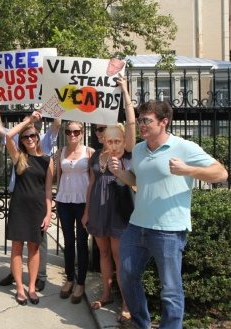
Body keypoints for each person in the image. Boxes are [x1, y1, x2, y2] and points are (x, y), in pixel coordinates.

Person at [111, 100, 228, 329]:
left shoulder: (184, 147)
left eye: (147, 120)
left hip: (169, 230)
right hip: (137, 226)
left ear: (164, 122)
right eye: (140, 119)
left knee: (170, 290)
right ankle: (140, 322)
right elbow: (136, 181)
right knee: (126, 276)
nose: (141, 125)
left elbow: (221, 173)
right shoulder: (138, 149)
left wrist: (188, 170)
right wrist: (119, 173)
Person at [81, 76, 136, 321]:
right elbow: (92, 184)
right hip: (98, 210)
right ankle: (106, 293)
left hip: (119, 211)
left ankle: (127, 302)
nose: (101, 133)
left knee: (119, 256)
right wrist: (86, 211)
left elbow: (132, 123)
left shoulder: (125, 152)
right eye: (99, 129)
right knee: (102, 254)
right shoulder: (95, 157)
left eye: (105, 128)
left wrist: (124, 91)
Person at [0, 111, 61, 292]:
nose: (30, 139)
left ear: (38, 137)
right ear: (22, 140)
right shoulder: (19, 157)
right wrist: (29, 122)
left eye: (33, 135)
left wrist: (49, 214)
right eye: (25, 137)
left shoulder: (48, 160)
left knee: (34, 249)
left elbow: (48, 190)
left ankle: (32, 287)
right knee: (17, 248)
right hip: (19, 208)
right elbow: (9, 135)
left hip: (38, 209)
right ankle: (19, 287)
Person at [55, 121, 94, 303]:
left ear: (82, 132)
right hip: (64, 201)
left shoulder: (90, 152)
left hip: (82, 203)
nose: (72, 134)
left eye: (76, 131)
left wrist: (89, 209)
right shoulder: (60, 152)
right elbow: (58, 177)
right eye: (69, 131)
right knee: (68, 241)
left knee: (81, 242)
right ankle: (69, 279)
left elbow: (93, 181)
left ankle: (81, 282)